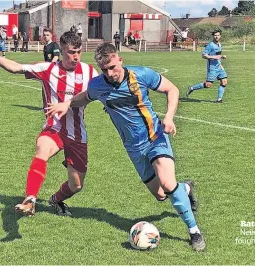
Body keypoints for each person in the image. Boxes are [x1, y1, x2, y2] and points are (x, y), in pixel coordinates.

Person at [44, 43, 205, 251]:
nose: (110, 73)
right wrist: (67, 103)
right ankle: (186, 188)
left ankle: (194, 232)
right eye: (105, 70)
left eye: (112, 67)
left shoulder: (141, 75)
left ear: (120, 60)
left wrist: (169, 117)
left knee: (166, 182)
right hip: (133, 148)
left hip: (155, 137)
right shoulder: (98, 85)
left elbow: (171, 89)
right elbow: (84, 97)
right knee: (161, 195)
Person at [0, 31, 99, 217]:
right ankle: (30, 199)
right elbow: (15, 68)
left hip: (78, 133)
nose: (76, 56)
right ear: (62, 50)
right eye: (71, 52)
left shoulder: (89, 72)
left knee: (76, 185)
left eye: (79, 51)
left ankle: (55, 200)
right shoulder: (48, 69)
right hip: (55, 128)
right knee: (42, 150)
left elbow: (98, 93)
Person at [186, 29, 227, 103]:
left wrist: (221, 58)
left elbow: (218, 55)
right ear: (213, 36)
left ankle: (219, 99)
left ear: (220, 36)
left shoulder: (219, 44)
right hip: (212, 68)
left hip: (219, 67)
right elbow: (204, 55)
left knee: (224, 82)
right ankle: (192, 88)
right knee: (208, 85)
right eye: (215, 35)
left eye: (218, 35)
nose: (216, 37)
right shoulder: (210, 45)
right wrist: (214, 57)